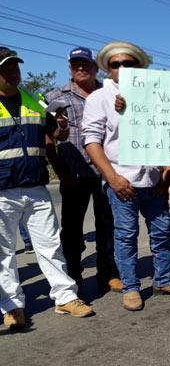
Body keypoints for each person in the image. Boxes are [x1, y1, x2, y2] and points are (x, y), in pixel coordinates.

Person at [82, 42, 170, 312]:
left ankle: (164, 279)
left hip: (155, 179)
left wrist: (168, 171)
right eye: (116, 64)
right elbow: (91, 141)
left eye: (129, 64)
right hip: (123, 181)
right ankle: (131, 286)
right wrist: (112, 177)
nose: (123, 69)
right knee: (126, 236)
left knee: (162, 233)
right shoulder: (98, 99)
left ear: (139, 67)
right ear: (107, 69)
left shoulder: (156, 97)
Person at [0, 47, 94, 329]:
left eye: (15, 68)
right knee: (4, 252)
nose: (13, 73)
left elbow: (57, 134)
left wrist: (61, 124)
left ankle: (65, 297)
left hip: (36, 185)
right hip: (3, 189)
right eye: (6, 69)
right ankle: (12, 306)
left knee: (51, 245)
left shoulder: (33, 98)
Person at [46, 47, 120, 293]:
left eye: (85, 64)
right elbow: (48, 137)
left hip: (106, 172)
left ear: (95, 67)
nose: (80, 68)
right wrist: (60, 170)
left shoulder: (110, 93)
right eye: (75, 64)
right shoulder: (55, 96)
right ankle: (73, 277)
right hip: (73, 175)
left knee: (108, 227)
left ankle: (109, 274)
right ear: (69, 68)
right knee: (72, 231)